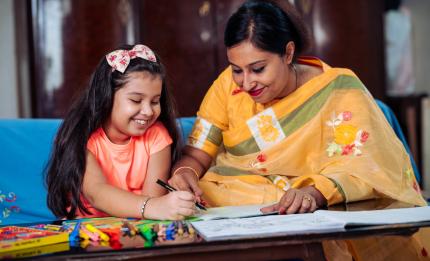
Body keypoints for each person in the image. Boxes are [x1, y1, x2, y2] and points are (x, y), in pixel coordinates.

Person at [169, 1, 428, 259]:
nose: (246, 83)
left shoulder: (338, 88)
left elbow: (367, 164)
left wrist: (312, 193)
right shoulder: (227, 86)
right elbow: (197, 153)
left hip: (310, 204)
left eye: (258, 69)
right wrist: (184, 171)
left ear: (288, 53)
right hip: (240, 198)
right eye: (237, 69)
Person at [46, 44, 196, 221]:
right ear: (107, 95)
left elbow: (153, 202)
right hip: (88, 230)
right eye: (136, 100)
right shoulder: (80, 137)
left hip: (136, 228)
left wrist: (168, 205)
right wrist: (154, 207)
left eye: (155, 101)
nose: (148, 111)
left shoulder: (157, 136)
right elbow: (97, 193)